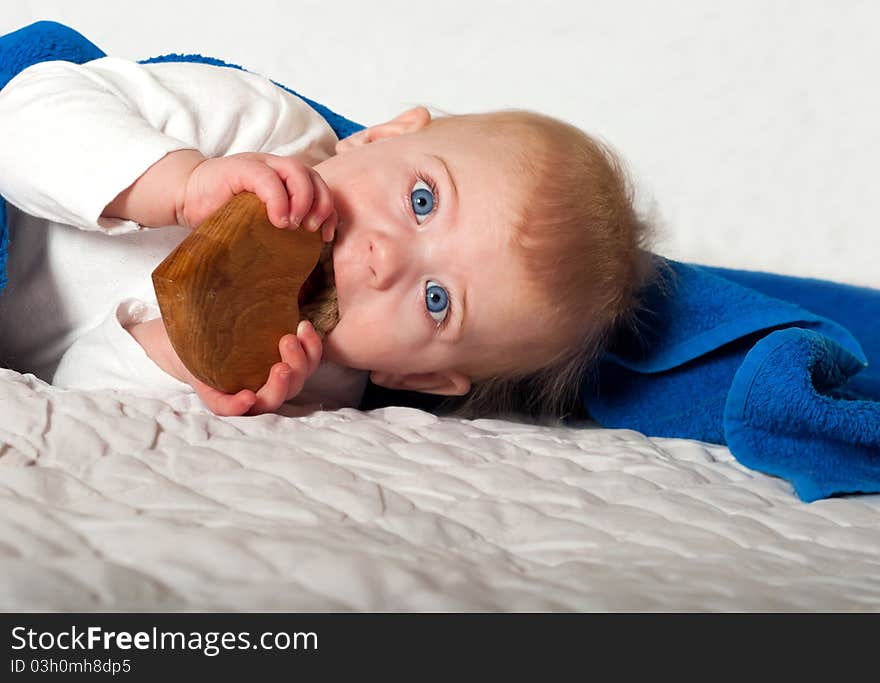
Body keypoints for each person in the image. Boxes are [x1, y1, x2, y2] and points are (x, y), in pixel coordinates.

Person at [0, 56, 656, 418]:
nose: (384, 259)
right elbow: (22, 112)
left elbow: (62, 402)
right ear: (379, 137)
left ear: (415, 374)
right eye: (421, 199)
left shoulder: (296, 390)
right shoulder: (261, 126)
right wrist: (182, 180)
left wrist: (180, 353)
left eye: (437, 300)